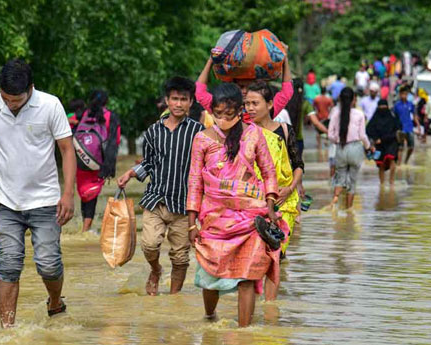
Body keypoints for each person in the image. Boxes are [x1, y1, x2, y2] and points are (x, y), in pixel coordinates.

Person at [0, 59, 75, 328]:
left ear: (31, 89)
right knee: (8, 265)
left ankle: (55, 302)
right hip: (7, 202)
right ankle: (7, 330)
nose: (11, 104)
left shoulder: (50, 105)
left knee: (48, 264)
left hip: (46, 201)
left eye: (17, 100)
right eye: (6, 98)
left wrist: (68, 194)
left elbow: (67, 150)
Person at [186, 83, 283, 327]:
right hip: (214, 220)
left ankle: (244, 334)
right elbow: (195, 182)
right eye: (217, 114)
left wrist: (271, 207)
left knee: (247, 277)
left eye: (229, 114)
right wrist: (191, 223)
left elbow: (269, 172)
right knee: (210, 277)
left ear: (240, 111)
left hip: (250, 219)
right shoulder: (202, 140)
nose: (223, 120)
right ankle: (209, 318)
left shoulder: (254, 134)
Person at [117, 77, 204, 296]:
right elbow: (148, 163)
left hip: (185, 205)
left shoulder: (199, 132)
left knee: (181, 257)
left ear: (191, 102)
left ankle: (174, 300)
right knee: (149, 245)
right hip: (156, 199)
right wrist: (130, 173)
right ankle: (155, 270)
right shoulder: (153, 132)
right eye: (174, 99)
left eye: (183, 99)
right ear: (167, 100)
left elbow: (207, 166)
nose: (178, 104)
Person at [245, 81, 303, 300]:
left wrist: (290, 188)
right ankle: (252, 303)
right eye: (247, 103)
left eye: (255, 103)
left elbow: (298, 165)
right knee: (254, 255)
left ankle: (270, 307)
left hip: (283, 203)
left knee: (275, 255)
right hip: (253, 202)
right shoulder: (243, 134)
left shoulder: (284, 131)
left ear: (269, 104)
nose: (250, 108)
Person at [195, 56, 293, 122]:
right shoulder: (223, 107)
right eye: (241, 87)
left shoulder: (265, 109)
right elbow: (199, 92)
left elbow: (287, 92)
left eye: (249, 87)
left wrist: (285, 61)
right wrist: (210, 61)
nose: (245, 91)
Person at [75, 90, 121, 233]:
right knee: (92, 193)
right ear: (106, 102)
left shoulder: (81, 114)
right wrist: (109, 168)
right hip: (98, 161)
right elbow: (114, 142)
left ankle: (84, 224)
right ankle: (86, 228)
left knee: (84, 193)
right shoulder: (110, 116)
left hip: (80, 160)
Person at [327, 87, 373, 209]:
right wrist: (368, 147)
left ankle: (334, 202)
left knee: (339, 179)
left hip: (341, 148)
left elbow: (330, 134)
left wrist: (338, 140)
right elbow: (363, 135)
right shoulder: (359, 114)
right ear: (354, 100)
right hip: (355, 149)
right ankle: (348, 211)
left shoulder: (335, 114)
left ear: (340, 99)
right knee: (352, 182)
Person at [366, 100, 402, 185]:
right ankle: (382, 184)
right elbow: (368, 129)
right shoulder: (375, 118)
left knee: (392, 159)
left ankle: (391, 182)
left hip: (391, 142)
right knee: (381, 164)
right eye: (381, 108)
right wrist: (375, 139)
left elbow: (397, 129)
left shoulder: (392, 117)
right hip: (379, 144)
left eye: (384, 108)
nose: (383, 110)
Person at [393, 86, 420, 165]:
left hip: (409, 127)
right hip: (400, 128)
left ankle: (406, 161)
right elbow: (394, 117)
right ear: (400, 94)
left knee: (411, 147)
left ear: (407, 95)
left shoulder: (410, 104)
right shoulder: (397, 105)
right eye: (402, 94)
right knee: (400, 147)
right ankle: (399, 164)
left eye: (405, 94)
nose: (404, 96)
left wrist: (418, 126)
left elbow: (414, 116)